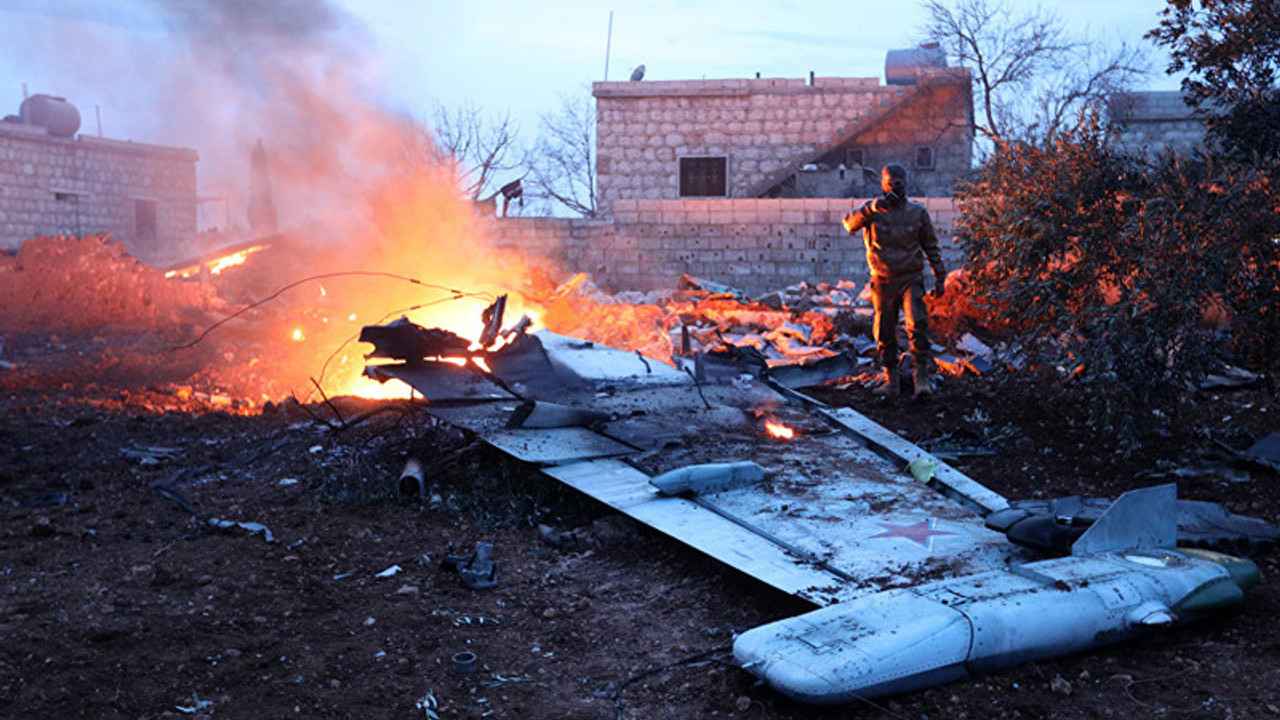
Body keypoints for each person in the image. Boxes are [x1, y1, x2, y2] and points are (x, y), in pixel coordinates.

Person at [842, 163, 947, 398]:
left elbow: (931, 245)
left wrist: (940, 276)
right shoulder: (871, 212)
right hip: (883, 281)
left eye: (898, 184)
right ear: (882, 184)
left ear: (905, 184)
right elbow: (849, 224)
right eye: (889, 184)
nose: (893, 189)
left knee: (917, 326)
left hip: (911, 277)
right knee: (885, 332)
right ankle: (891, 380)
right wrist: (869, 209)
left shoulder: (917, 212)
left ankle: (921, 380)